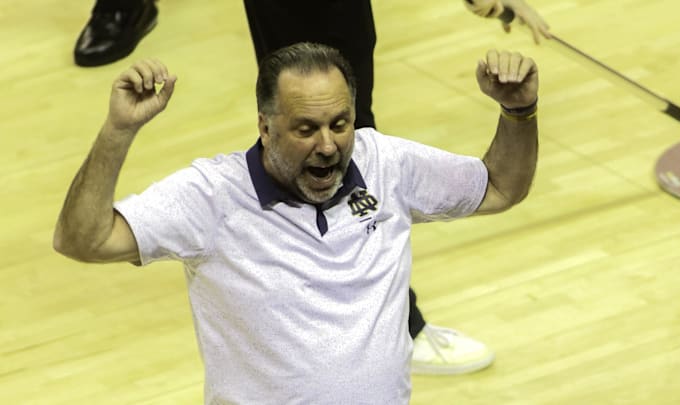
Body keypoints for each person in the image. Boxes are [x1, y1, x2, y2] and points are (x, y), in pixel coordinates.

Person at [70, 0, 548, 375]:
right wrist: (118, 132)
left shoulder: (380, 158)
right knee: (301, 76)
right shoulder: (212, 194)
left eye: (340, 124)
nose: (327, 145)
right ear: (263, 126)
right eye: (305, 129)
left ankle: (402, 321)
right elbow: (83, 240)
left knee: (325, 81)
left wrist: (519, 112)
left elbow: (501, 187)